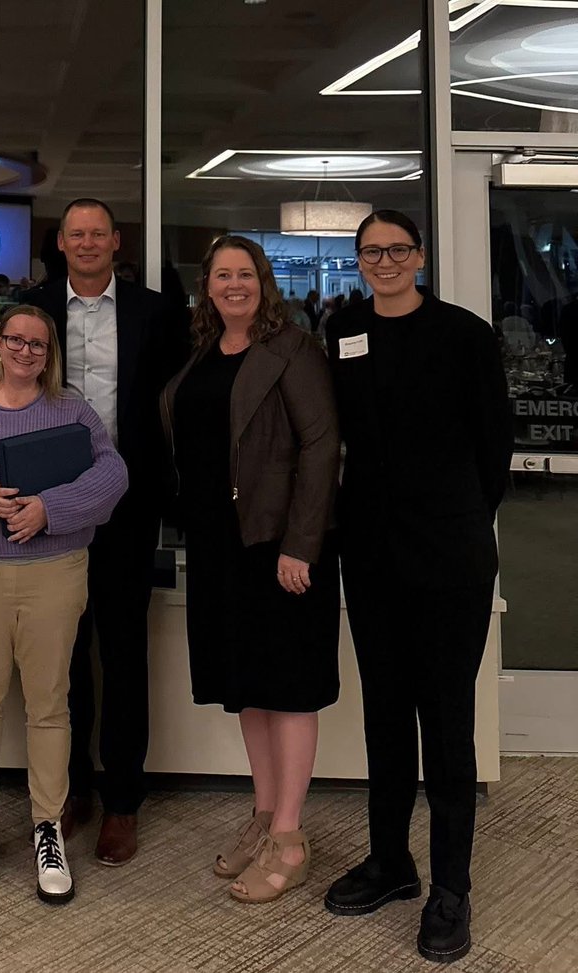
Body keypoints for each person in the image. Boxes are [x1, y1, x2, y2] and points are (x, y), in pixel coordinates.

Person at [323, 210, 513, 963]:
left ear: (420, 256)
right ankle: (391, 861)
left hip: (449, 556)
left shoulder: (465, 334)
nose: (386, 262)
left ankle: (451, 889)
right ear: (360, 261)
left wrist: (457, 519)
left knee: (447, 724)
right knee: (385, 719)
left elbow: (493, 446)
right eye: (373, 252)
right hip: (371, 555)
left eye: (398, 250)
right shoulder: (340, 330)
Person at [0, 305, 128, 905]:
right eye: (16, 340)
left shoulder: (71, 411)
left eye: (38, 343)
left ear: (49, 351)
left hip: (54, 572)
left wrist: (51, 510)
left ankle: (47, 827)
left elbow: (112, 476)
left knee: (49, 704)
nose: (26, 351)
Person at [161, 235, 340, 904]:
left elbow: (322, 447)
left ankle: (291, 835)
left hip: (278, 547)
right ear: (206, 286)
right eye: (221, 275)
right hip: (219, 546)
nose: (234, 284)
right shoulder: (205, 352)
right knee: (248, 685)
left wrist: (302, 544)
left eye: (245, 274)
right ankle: (265, 814)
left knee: (288, 686)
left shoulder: (294, 349)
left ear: (263, 282)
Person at [22, 197, 185, 866]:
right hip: (51, 502)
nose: (87, 243)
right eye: (75, 233)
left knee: (122, 653)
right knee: (60, 651)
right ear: (60, 243)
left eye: (98, 233)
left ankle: (122, 799)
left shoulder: (156, 311)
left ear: (116, 242)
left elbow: (175, 404)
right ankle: (72, 790)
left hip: (127, 499)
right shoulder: (32, 309)